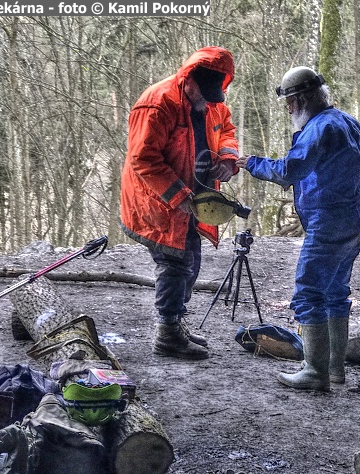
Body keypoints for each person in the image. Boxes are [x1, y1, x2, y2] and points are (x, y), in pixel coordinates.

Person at [236, 66, 360, 391]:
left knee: (309, 292)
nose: (288, 109)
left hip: (329, 221)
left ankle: (314, 371)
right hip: (353, 217)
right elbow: (334, 167)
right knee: (336, 293)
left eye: (290, 102)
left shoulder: (317, 129)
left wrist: (252, 163)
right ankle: (335, 369)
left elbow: (290, 170)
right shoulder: (348, 122)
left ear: (302, 100)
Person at [120, 46, 239, 360]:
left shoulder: (212, 102)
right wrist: (177, 195)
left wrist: (228, 159)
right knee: (175, 262)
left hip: (195, 197)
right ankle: (168, 333)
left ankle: (176, 321)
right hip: (157, 201)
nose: (208, 100)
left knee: (191, 258)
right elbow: (142, 159)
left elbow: (226, 128)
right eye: (202, 92)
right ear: (189, 79)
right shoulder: (157, 104)